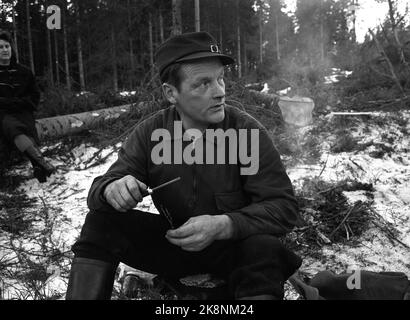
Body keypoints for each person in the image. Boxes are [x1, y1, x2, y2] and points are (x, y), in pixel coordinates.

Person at [66, 32, 305, 300]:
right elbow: (100, 190)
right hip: (177, 246)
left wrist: (223, 224)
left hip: (236, 252)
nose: (219, 92)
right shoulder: (151, 134)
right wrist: (112, 189)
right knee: (101, 222)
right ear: (171, 93)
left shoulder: (245, 132)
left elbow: (283, 208)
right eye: (202, 84)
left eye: (220, 79)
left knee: (265, 248)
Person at [0, 31, 55, 182]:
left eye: (7, 46)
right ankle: (41, 161)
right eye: (1, 47)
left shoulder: (24, 72)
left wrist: (19, 103)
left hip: (23, 112)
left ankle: (39, 167)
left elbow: (34, 96)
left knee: (27, 128)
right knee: (12, 127)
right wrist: (10, 103)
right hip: (2, 115)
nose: (5, 50)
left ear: (11, 48)